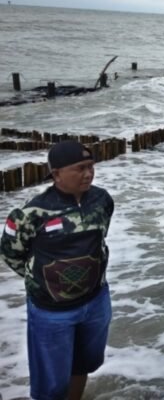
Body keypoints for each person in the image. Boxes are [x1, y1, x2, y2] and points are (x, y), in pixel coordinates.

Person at [1, 140, 114, 400]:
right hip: (51, 312)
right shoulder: (31, 213)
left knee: (83, 365)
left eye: (91, 166)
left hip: (95, 301)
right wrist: (43, 280)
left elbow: (100, 238)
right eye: (80, 168)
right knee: (50, 386)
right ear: (56, 174)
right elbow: (10, 252)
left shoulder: (102, 200)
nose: (88, 173)